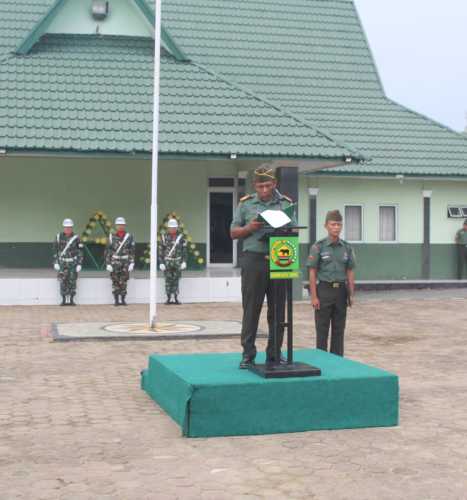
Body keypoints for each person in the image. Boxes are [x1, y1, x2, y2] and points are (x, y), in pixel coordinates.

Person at [230, 166, 296, 369]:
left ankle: (274, 353)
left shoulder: (285, 203)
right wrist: (250, 228)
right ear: (254, 186)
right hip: (254, 260)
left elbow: (294, 229)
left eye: (268, 185)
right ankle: (248, 354)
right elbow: (233, 232)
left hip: (279, 258)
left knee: (278, 310)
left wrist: (284, 228)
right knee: (251, 309)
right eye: (260, 186)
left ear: (274, 184)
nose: (264, 190)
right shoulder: (246, 204)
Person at [307, 210, 355, 356]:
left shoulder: (346, 247)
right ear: (326, 226)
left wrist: (351, 294)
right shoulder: (319, 247)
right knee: (322, 329)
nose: (336, 227)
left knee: (339, 329)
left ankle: (337, 361)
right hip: (324, 291)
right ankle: (322, 360)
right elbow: (312, 272)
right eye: (333, 224)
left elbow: (350, 271)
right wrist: (314, 296)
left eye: (339, 224)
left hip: (341, 291)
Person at [105, 217, 135, 306]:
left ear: (124, 225)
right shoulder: (111, 236)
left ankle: (123, 299)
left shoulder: (129, 236)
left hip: (125, 262)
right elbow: (107, 251)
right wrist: (108, 263)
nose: (120, 226)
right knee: (115, 281)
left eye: (122, 225)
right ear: (116, 226)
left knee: (124, 281)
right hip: (115, 261)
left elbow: (132, 250)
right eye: (119, 225)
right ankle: (116, 300)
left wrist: (132, 262)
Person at [53, 218, 83, 306]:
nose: (68, 229)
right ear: (63, 227)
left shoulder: (77, 238)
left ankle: (71, 300)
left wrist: (79, 263)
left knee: (72, 281)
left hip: (72, 263)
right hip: (62, 263)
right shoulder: (58, 237)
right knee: (63, 281)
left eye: (69, 227)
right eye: (66, 227)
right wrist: (56, 262)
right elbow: (55, 251)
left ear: (72, 227)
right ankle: (63, 300)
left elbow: (80, 252)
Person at [159, 218, 187, 305]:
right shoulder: (163, 237)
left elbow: (184, 250)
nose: (173, 229)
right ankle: (168, 298)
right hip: (168, 262)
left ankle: (175, 298)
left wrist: (184, 261)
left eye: (174, 227)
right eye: (171, 227)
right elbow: (160, 251)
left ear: (177, 227)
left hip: (177, 261)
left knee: (176, 280)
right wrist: (161, 262)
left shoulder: (181, 237)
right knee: (168, 280)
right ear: (168, 228)